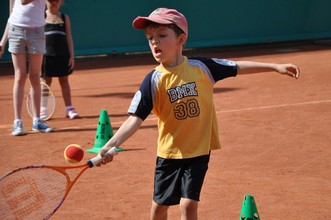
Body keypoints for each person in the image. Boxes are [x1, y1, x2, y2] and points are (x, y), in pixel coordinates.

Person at [96, 8, 300, 220]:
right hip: (169, 154)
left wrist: (275, 66)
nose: (155, 42)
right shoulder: (152, 80)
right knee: (159, 207)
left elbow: (236, 66)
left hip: (198, 151)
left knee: (189, 204)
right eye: (150, 38)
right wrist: (110, 144)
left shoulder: (202, 67)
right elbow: (135, 119)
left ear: (180, 39)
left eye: (162, 35)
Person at [0, 0, 53, 135]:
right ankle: (17, 122)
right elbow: (13, 11)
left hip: (37, 30)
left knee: (35, 76)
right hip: (15, 30)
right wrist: (2, 41)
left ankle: (37, 121)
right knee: (20, 76)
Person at [41, 0, 79, 120]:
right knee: (46, 82)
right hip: (46, 56)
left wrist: (71, 56)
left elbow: (69, 37)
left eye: (57, 1)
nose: (54, 3)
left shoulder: (64, 17)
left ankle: (69, 108)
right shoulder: (42, 17)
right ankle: (43, 109)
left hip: (63, 55)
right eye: (51, 1)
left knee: (64, 82)